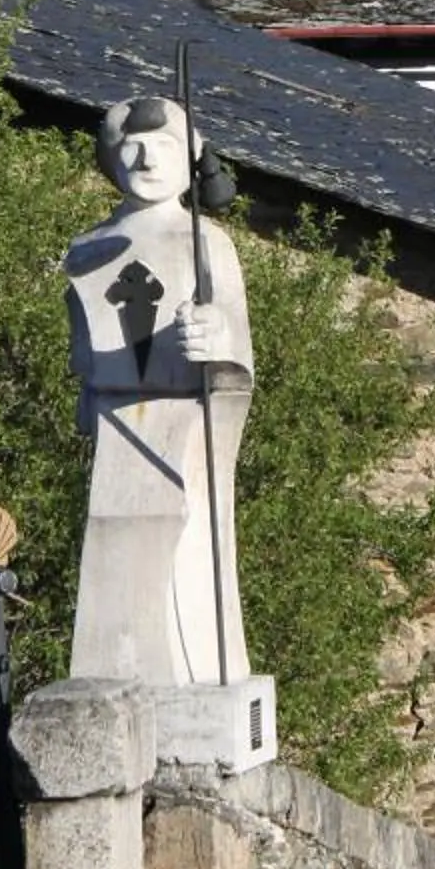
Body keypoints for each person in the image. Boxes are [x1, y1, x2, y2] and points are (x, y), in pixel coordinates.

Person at [64, 93, 253, 686]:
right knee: (115, 552)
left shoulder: (206, 242)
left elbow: (235, 338)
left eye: (163, 146)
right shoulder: (85, 248)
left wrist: (214, 336)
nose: (145, 158)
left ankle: (192, 678)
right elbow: (82, 341)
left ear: (189, 157)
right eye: (131, 147)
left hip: (184, 422)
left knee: (185, 560)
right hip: (117, 420)